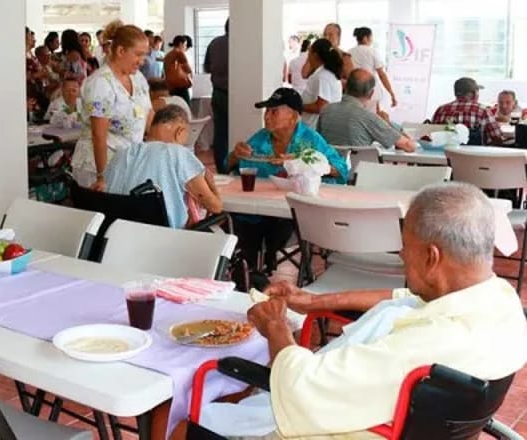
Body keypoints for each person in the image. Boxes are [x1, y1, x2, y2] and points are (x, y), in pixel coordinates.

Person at [185, 183, 527, 440]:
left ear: (432, 257)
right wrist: (312, 301)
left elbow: (303, 389)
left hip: (337, 429)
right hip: (400, 422)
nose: (402, 259)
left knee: (187, 420)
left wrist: (276, 327)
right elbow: (402, 297)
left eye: (405, 250)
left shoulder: (420, 348)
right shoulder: (500, 303)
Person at [225, 88, 348, 276]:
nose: (267, 117)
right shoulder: (260, 138)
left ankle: (255, 271)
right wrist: (235, 155)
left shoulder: (310, 140)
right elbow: (227, 165)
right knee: (237, 224)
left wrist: (304, 160)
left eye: (274, 112)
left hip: (291, 213)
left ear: (293, 117)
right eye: (267, 111)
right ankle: (251, 274)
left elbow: (341, 170)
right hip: (257, 209)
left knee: (269, 229)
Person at [105, 105, 222, 229]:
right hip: (165, 240)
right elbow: (215, 206)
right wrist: (212, 184)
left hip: (119, 236)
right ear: (180, 132)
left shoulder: (122, 154)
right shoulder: (178, 154)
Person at [71, 20, 153, 190]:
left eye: (144, 55)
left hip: (127, 160)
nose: (142, 61)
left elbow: (148, 114)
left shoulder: (137, 78)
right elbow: (98, 135)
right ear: (121, 50)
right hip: (98, 165)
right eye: (138, 54)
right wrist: (102, 176)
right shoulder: (101, 82)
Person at [318, 69, 417, 152]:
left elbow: (317, 143)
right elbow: (409, 146)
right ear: (371, 93)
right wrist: (387, 123)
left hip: (329, 170)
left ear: (345, 86)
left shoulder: (326, 110)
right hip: (360, 171)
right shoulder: (368, 117)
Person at [432, 77, 502, 145]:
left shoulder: (441, 110)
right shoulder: (483, 110)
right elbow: (497, 137)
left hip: (444, 155)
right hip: (473, 155)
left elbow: (432, 136)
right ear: (474, 93)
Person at [349, 27, 397, 110]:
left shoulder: (349, 52)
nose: (372, 39)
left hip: (354, 92)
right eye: (371, 37)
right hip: (371, 91)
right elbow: (382, 75)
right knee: (374, 116)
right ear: (366, 38)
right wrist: (391, 93)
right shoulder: (372, 52)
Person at [300, 38, 343, 128]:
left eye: (309, 52)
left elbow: (321, 107)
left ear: (314, 55)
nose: (307, 56)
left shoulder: (323, 76)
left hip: (315, 128)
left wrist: (299, 106)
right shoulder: (323, 74)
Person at [205, 19, 229, 173]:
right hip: (236, 94)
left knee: (220, 133)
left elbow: (207, 67)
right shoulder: (242, 44)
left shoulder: (214, 43)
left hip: (218, 92)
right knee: (239, 130)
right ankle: (232, 166)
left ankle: (221, 168)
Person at [164, 35, 194, 105]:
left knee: (175, 107)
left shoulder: (168, 55)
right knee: (186, 107)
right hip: (180, 86)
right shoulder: (180, 54)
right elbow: (188, 69)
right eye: (185, 45)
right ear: (180, 44)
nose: (185, 47)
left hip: (170, 86)